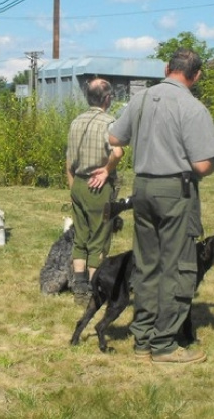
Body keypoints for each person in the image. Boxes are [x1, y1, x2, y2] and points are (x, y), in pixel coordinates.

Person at [109, 48, 214, 364]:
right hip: (175, 190)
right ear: (196, 75)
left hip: (142, 187)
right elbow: (201, 166)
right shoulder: (194, 108)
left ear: (166, 67)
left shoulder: (141, 99)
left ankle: (142, 338)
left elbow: (115, 138)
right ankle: (164, 345)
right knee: (177, 266)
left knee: (146, 265)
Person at [66, 78, 123, 305]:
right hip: (97, 187)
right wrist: (107, 170)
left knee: (80, 237)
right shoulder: (109, 123)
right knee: (99, 238)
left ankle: (78, 288)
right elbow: (117, 153)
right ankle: (94, 289)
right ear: (107, 98)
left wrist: (73, 187)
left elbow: (68, 160)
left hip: (78, 183)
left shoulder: (75, 121)